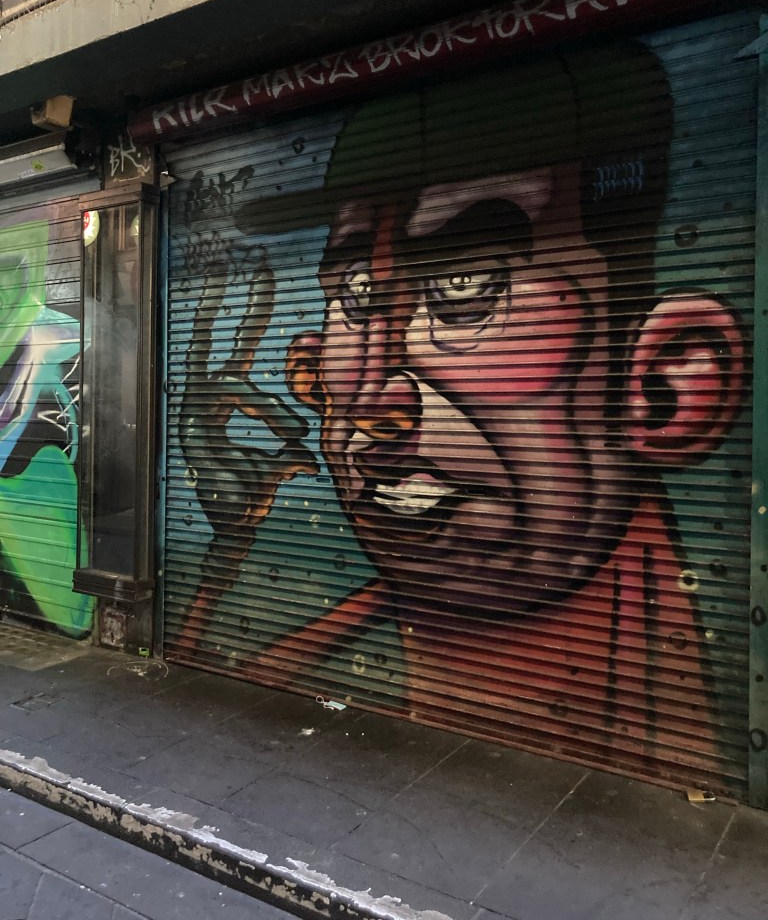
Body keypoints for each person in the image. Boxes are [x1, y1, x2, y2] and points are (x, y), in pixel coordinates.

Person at [223, 41, 744, 777]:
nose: (372, 402)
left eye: (466, 283)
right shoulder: (276, 661)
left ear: (665, 387)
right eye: (357, 297)